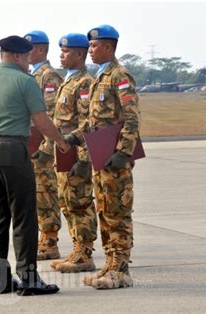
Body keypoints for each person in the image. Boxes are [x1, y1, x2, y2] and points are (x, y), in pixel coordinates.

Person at [0, 35, 69, 296]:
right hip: (12, 150)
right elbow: (42, 120)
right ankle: (29, 278)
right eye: (26, 57)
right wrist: (60, 141)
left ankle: (1, 280)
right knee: (24, 216)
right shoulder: (26, 82)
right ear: (15, 56)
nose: (28, 62)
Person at [81, 25, 139, 289]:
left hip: (115, 158)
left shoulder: (119, 76)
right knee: (104, 210)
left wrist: (124, 152)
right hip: (100, 156)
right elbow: (94, 120)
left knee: (118, 211)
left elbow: (131, 117)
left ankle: (121, 269)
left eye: (94, 46)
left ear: (108, 47)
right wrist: (72, 138)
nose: (90, 51)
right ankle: (110, 263)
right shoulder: (99, 77)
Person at [49, 33, 97, 273]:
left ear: (80, 54)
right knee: (67, 202)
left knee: (80, 202)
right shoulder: (68, 81)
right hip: (63, 151)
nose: (61, 54)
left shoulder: (85, 83)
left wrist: (84, 158)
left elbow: (88, 122)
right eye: (61, 50)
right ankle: (77, 248)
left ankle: (86, 253)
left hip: (76, 151)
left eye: (66, 51)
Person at [24, 30, 64, 260]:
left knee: (46, 193)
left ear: (40, 50)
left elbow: (52, 116)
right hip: (31, 145)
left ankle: (50, 241)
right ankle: (43, 237)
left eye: (28, 49)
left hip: (43, 148)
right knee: (37, 194)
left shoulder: (49, 77)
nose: (24, 54)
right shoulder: (30, 75)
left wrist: (45, 149)